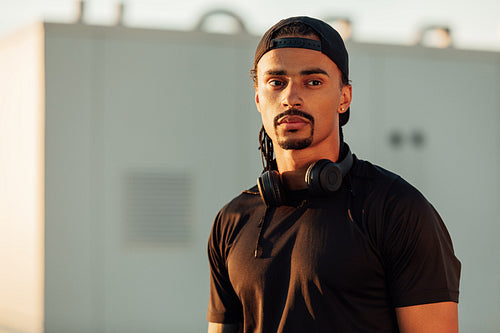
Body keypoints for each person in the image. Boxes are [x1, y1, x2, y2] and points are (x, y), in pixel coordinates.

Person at [207, 16, 461, 333]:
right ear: (259, 98)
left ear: (344, 98)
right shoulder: (232, 221)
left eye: (313, 82)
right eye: (276, 82)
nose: (290, 97)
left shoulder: (397, 209)